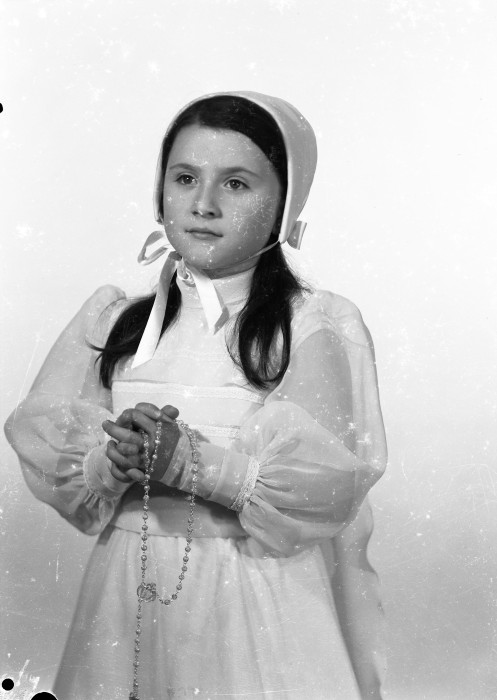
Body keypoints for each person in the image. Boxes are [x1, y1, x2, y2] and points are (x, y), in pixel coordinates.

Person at [5, 91, 387, 700]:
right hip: (129, 589)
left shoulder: (306, 327)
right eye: (185, 178)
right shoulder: (118, 324)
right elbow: (72, 474)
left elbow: (325, 486)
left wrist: (189, 462)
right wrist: (113, 461)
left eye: (236, 184)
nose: (203, 204)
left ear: (284, 204)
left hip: (252, 594)